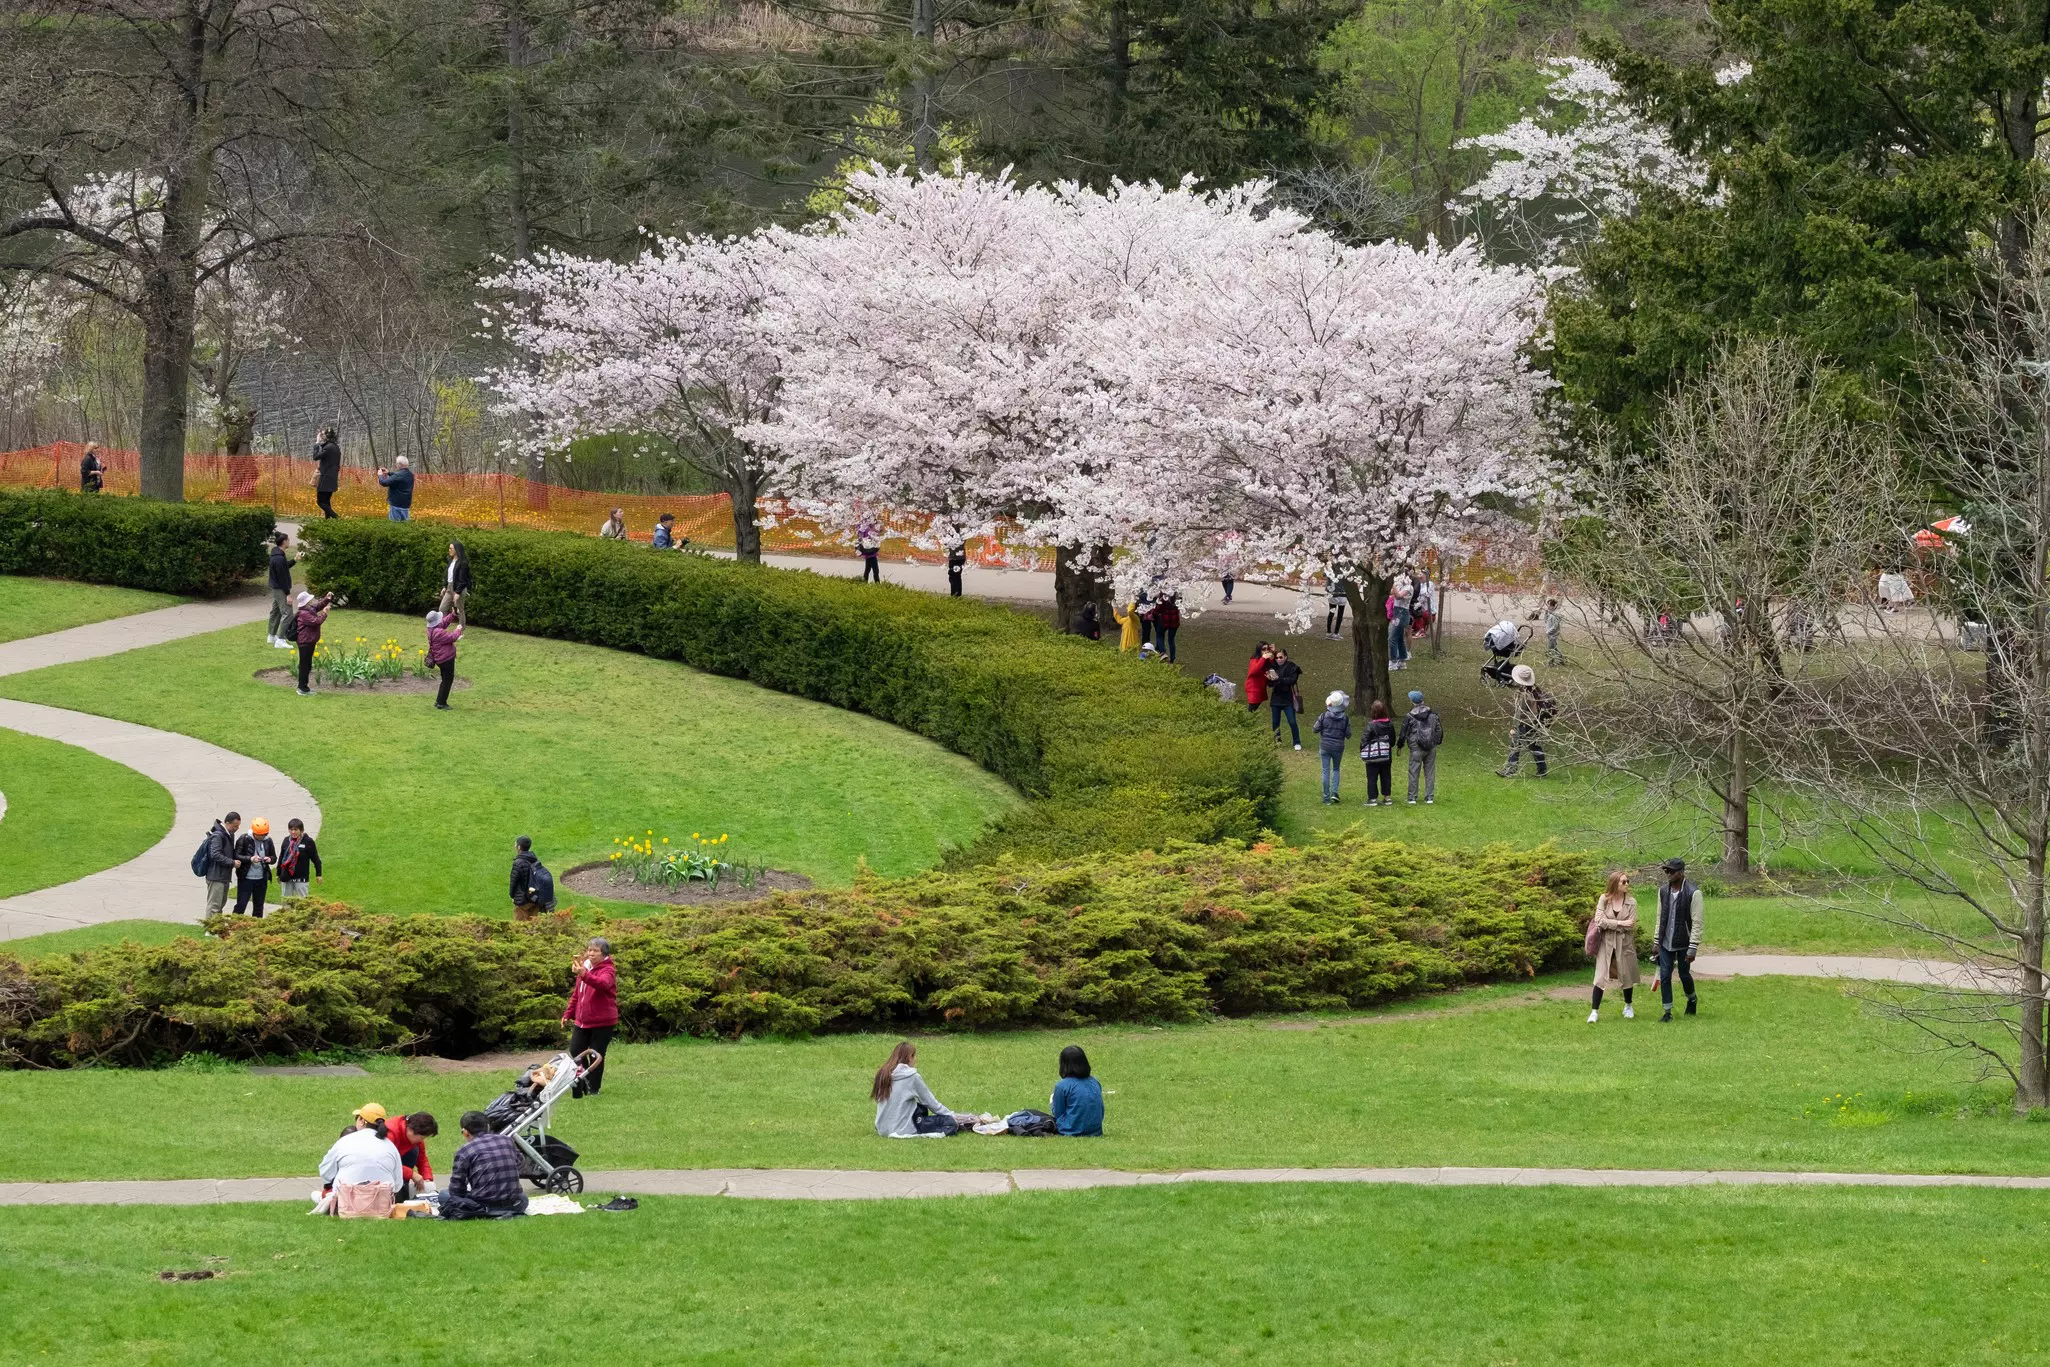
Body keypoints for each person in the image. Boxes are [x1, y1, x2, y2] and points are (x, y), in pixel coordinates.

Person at [438, 1111, 529, 1220]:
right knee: (523, 1197)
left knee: (444, 1195)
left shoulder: (465, 1150)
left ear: (465, 1132)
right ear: (488, 1126)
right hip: (515, 1204)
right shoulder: (507, 1140)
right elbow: (521, 1163)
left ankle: (487, 1212)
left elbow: (456, 1189)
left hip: (482, 1206)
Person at [318, 1112, 406, 1218]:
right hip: (381, 1208)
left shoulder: (345, 1141)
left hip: (346, 1206)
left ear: (362, 1121)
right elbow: (397, 1185)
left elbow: (325, 1171)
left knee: (325, 1192)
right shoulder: (390, 1145)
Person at [564, 937, 619, 1096]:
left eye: (595, 951)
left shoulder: (608, 970)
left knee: (596, 1054)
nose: (591, 953)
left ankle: (594, 1089)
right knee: (575, 1050)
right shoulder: (585, 968)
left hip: (603, 1022)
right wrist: (568, 1013)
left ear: (604, 954)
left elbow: (602, 984)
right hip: (582, 1021)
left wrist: (584, 974)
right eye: (589, 950)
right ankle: (585, 1079)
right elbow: (577, 994)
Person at [872, 1041, 961, 1137]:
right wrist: (952, 1115)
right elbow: (931, 1103)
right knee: (950, 1122)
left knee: (920, 1108)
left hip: (882, 1129)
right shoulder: (911, 1076)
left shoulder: (883, 1074)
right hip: (902, 1129)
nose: (915, 1060)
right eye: (915, 1056)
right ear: (910, 1057)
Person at [1654, 857, 1703, 1021]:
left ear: (1681, 873)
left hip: (1684, 941)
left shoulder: (1693, 893)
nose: (1668, 874)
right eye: (1666, 870)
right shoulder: (1663, 891)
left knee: (1684, 975)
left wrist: (1693, 946)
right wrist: (1656, 941)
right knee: (1665, 975)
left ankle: (1692, 998)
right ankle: (1667, 1012)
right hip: (1666, 941)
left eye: (1671, 871)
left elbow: (1697, 922)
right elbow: (1660, 917)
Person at [1587, 870, 1640, 1022]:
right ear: (1615, 883)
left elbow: (1630, 925)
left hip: (1624, 942)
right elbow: (1599, 920)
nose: (1627, 884)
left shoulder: (1632, 902)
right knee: (1600, 975)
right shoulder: (1604, 899)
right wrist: (1620, 923)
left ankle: (1628, 1006)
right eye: (1623, 882)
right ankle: (1594, 1011)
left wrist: (1610, 923)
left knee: (1626, 973)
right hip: (1606, 942)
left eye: (1628, 881)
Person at [1498, 664, 1550, 778]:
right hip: (1534, 723)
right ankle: (1542, 770)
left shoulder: (1523, 694)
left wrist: (1514, 727)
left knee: (1515, 744)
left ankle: (1511, 769)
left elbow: (1519, 712)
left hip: (1525, 724)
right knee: (1534, 746)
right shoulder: (1535, 690)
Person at [1397, 689, 1442, 805]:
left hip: (1416, 747)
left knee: (1413, 772)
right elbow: (1439, 730)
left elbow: (1403, 732)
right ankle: (1429, 797)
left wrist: (1400, 745)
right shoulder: (1433, 714)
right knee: (1430, 772)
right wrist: (1436, 742)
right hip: (1431, 747)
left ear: (1412, 701)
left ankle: (1412, 798)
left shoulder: (1410, 716)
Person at [383, 1112, 439, 1199]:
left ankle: (403, 1189)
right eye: (422, 1137)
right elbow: (386, 1163)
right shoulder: (390, 1133)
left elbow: (422, 1160)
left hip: (396, 1162)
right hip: (382, 1168)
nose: (422, 1140)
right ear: (411, 1130)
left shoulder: (415, 1138)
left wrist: (427, 1179)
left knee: (414, 1150)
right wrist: (412, 1174)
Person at [1050, 1045, 1104, 1137]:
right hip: (1095, 1130)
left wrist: (1052, 1102)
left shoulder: (1062, 1086)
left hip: (1070, 1130)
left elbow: (1058, 1114)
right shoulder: (1095, 1082)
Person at [1310, 690, 1351, 803]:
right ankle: (1334, 792)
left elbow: (1315, 729)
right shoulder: (1345, 718)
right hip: (1338, 747)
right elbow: (1348, 735)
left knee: (1325, 771)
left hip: (1325, 746)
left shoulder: (1323, 716)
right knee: (1336, 769)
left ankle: (1326, 797)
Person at [293, 590, 335, 695]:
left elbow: (318, 606)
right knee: (305, 665)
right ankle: (302, 688)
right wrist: (324, 613)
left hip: (309, 641)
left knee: (307, 664)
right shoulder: (304, 613)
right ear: (306, 602)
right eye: (309, 599)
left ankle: (304, 687)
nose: (312, 600)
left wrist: (327, 598)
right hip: (305, 642)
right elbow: (316, 621)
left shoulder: (308, 609)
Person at [233, 818, 276, 917]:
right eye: (259, 835)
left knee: (259, 906)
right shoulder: (244, 839)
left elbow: (274, 857)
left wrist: (269, 859)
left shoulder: (268, 841)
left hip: (261, 878)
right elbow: (236, 855)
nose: (261, 837)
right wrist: (250, 859)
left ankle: (257, 927)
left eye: (263, 835)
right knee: (241, 904)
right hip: (246, 878)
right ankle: (234, 925)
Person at [202, 811, 242, 916]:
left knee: (220, 905)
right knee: (214, 905)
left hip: (223, 876)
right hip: (216, 876)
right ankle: (210, 930)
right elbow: (215, 855)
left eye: (238, 826)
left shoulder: (229, 835)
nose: (237, 828)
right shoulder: (218, 836)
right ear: (227, 823)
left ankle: (216, 929)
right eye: (235, 826)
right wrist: (232, 862)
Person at [1359, 699, 1396, 807]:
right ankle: (1387, 797)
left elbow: (1364, 740)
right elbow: (1392, 740)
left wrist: (1364, 750)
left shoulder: (1371, 725)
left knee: (1372, 777)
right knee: (1386, 776)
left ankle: (1372, 798)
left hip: (1373, 756)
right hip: (1386, 755)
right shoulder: (1389, 724)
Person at [510, 835, 554, 921]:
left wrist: (512, 896)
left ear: (519, 847)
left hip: (523, 900)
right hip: (534, 897)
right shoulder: (533, 859)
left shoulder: (518, 863)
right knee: (533, 923)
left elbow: (513, 882)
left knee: (520, 925)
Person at [426, 610, 463, 710]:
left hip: (440, 659)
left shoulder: (431, 628)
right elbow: (453, 637)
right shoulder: (438, 632)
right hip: (445, 659)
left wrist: (453, 614)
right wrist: (458, 629)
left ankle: (439, 701)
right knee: (447, 680)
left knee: (445, 680)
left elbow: (443, 623)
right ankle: (441, 703)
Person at [1266, 647, 1302, 749]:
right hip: (1276, 698)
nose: (1278, 659)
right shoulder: (1273, 668)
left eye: (1280, 657)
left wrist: (1279, 679)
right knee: (1275, 722)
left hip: (1288, 699)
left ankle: (1297, 742)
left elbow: (1292, 680)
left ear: (1285, 657)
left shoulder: (1292, 667)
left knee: (1292, 721)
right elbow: (1270, 684)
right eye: (1277, 658)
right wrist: (1270, 679)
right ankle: (1277, 740)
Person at [277, 818, 322, 898]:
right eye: (291, 829)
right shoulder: (286, 841)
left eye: (296, 829)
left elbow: (316, 859)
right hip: (287, 878)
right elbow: (281, 858)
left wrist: (319, 874)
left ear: (301, 830)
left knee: (302, 904)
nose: (293, 832)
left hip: (301, 879)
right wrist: (278, 874)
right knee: (286, 905)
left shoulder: (308, 842)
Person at [265, 531, 295, 649]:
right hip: (280, 589)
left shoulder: (278, 555)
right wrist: (288, 594)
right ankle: (281, 639)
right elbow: (282, 577)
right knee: (288, 613)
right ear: (284, 542)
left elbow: (284, 568)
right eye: (288, 540)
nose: (289, 542)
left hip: (277, 588)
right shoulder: (279, 558)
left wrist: (295, 560)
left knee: (276, 611)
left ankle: (271, 635)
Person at [439, 541, 472, 625]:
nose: (449, 550)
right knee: (442, 608)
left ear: (457, 550)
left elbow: (463, 579)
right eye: (449, 548)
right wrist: (444, 586)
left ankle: (461, 630)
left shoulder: (463, 563)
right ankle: (442, 628)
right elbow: (447, 574)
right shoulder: (450, 561)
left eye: (451, 548)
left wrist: (458, 592)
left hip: (459, 588)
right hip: (450, 588)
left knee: (459, 610)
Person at [312, 428, 342, 519]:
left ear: (326, 436)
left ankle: (337, 518)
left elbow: (316, 457)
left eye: (323, 434)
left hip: (326, 478)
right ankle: (328, 522)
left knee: (320, 501)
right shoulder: (335, 447)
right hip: (332, 478)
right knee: (326, 502)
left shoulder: (328, 448)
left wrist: (317, 442)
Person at [376, 455, 414, 521]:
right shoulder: (410, 474)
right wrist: (389, 473)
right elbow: (399, 477)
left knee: (394, 526)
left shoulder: (398, 475)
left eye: (396, 463)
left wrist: (380, 475)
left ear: (399, 464)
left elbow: (384, 482)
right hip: (406, 505)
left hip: (396, 505)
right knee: (405, 526)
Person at [1388, 576, 1412, 670]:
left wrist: (1393, 585)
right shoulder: (1400, 586)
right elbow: (1391, 593)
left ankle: (1393, 661)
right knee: (1399, 638)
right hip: (1396, 612)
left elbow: (1398, 596)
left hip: (1402, 613)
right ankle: (1402, 661)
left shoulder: (1409, 587)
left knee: (1392, 638)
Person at [1243, 643, 1271, 714]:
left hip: (1260, 688)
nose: (1266, 651)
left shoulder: (1265, 660)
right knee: (1251, 710)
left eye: (1268, 649)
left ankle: (1246, 722)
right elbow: (1253, 671)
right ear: (1259, 650)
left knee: (1254, 708)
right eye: (1264, 649)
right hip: (1253, 688)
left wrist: (1273, 652)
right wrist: (1263, 658)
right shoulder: (1255, 659)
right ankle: (1243, 723)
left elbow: (1272, 664)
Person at [1154, 595, 1181, 663]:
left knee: (1159, 635)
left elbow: (1158, 608)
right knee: (1171, 640)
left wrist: (1155, 613)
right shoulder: (1178, 595)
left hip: (1164, 620)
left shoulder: (1163, 596)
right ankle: (1172, 658)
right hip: (1174, 621)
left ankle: (1163, 652)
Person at [1541, 597, 1565, 666]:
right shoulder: (1550, 614)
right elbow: (1545, 621)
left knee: (1551, 648)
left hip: (1553, 634)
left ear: (1553, 606)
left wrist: (1548, 632)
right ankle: (1561, 659)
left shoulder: (1555, 615)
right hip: (1550, 634)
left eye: (1549, 605)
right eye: (1548, 605)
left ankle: (1550, 662)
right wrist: (1545, 613)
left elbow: (1555, 626)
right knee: (1554, 648)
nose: (1548, 607)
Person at [857, 518, 881, 583]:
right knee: (876, 570)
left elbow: (860, 538)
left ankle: (864, 583)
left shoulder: (864, 530)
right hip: (871, 554)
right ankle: (877, 584)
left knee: (867, 570)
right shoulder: (868, 531)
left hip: (868, 554)